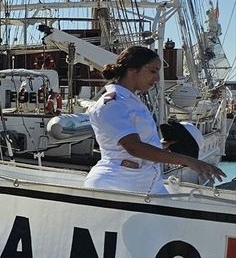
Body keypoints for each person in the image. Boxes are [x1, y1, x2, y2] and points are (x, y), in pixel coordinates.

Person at [85, 46, 222, 194]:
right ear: (132, 69)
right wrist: (188, 160)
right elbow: (134, 147)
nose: (157, 78)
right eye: (153, 71)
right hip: (115, 185)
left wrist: (159, 145)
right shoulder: (113, 104)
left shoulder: (131, 101)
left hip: (145, 185)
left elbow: (132, 144)